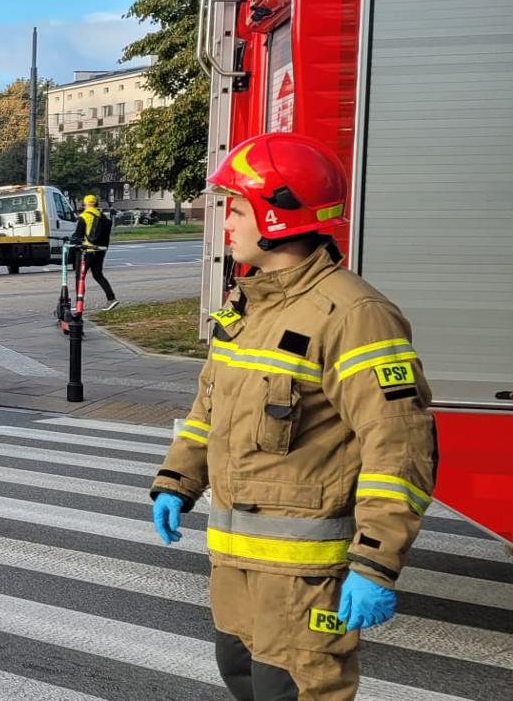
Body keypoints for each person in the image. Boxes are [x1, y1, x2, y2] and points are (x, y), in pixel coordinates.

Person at [149, 132, 436, 701]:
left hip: (306, 578)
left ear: (277, 215)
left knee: (296, 693)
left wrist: (375, 560)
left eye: (233, 208)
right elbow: (210, 407)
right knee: (242, 678)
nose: (224, 222)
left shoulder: (355, 315)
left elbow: (399, 447)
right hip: (235, 563)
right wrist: (178, 481)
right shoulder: (251, 305)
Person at [69, 194, 118, 310]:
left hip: (86, 251)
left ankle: (79, 303)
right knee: (98, 274)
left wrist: (72, 240)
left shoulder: (84, 217)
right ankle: (111, 299)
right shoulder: (102, 216)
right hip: (100, 251)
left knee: (80, 277)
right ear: (96, 204)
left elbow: (78, 236)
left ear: (85, 204)